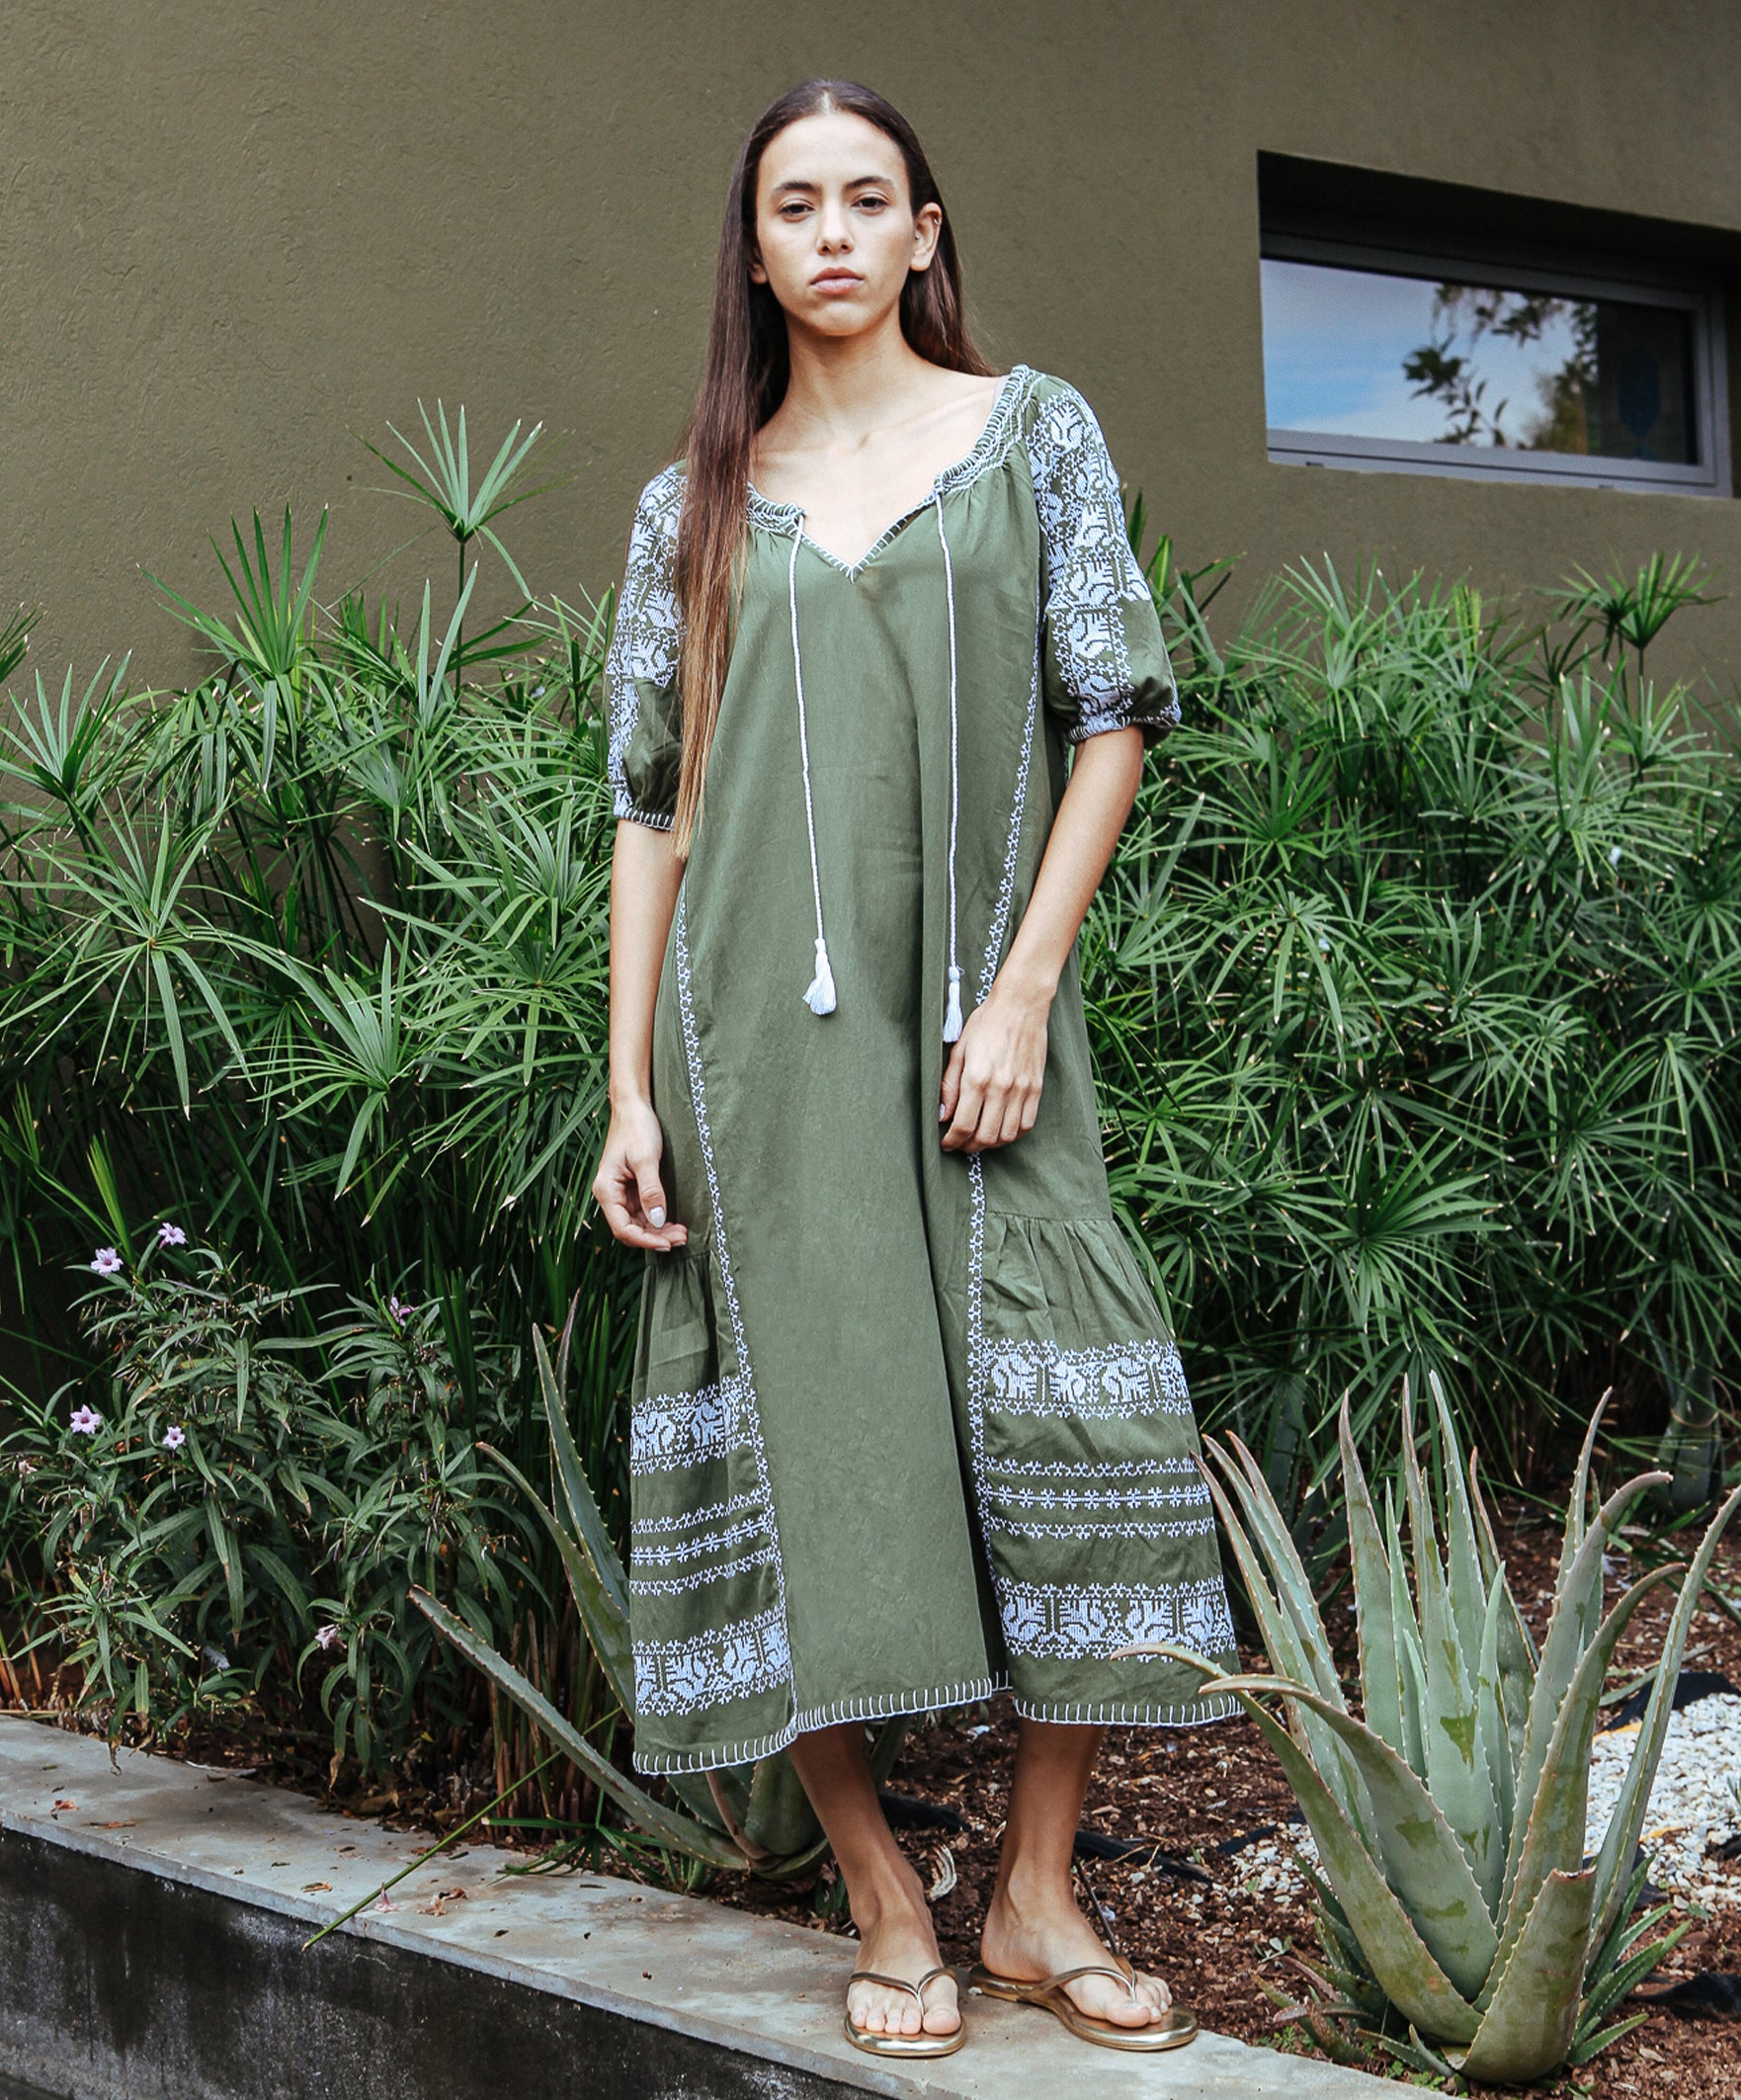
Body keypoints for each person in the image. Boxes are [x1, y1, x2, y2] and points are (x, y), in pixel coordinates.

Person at [593, 77, 1235, 2060]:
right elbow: (651, 804)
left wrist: (1025, 989)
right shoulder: (689, 505)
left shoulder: (1030, 433)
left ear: (927, 230)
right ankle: (884, 1894)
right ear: (757, 247)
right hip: (752, 1059)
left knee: (1075, 1420)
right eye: (798, 204)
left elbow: (1112, 711)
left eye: (871, 198)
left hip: (979, 1025)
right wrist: (623, 1085)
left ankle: (1034, 1892)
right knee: (796, 1442)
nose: (838, 234)